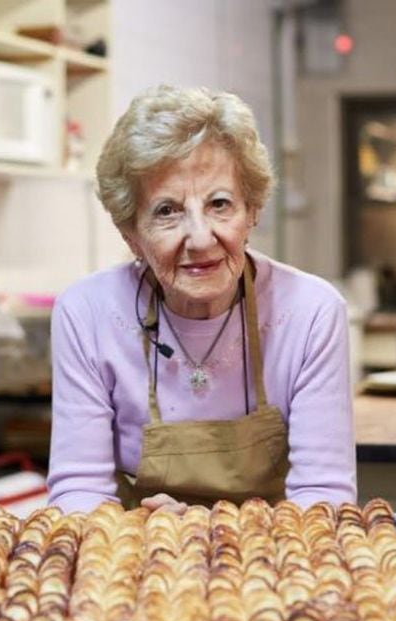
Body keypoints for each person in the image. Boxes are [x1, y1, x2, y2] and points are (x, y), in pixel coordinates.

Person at [47, 85, 356, 514]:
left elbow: (324, 498)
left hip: (277, 561)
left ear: (252, 213)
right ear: (131, 235)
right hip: (134, 558)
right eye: (167, 211)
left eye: (220, 204)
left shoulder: (310, 312)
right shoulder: (87, 313)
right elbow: (78, 492)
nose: (199, 238)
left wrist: (206, 529)